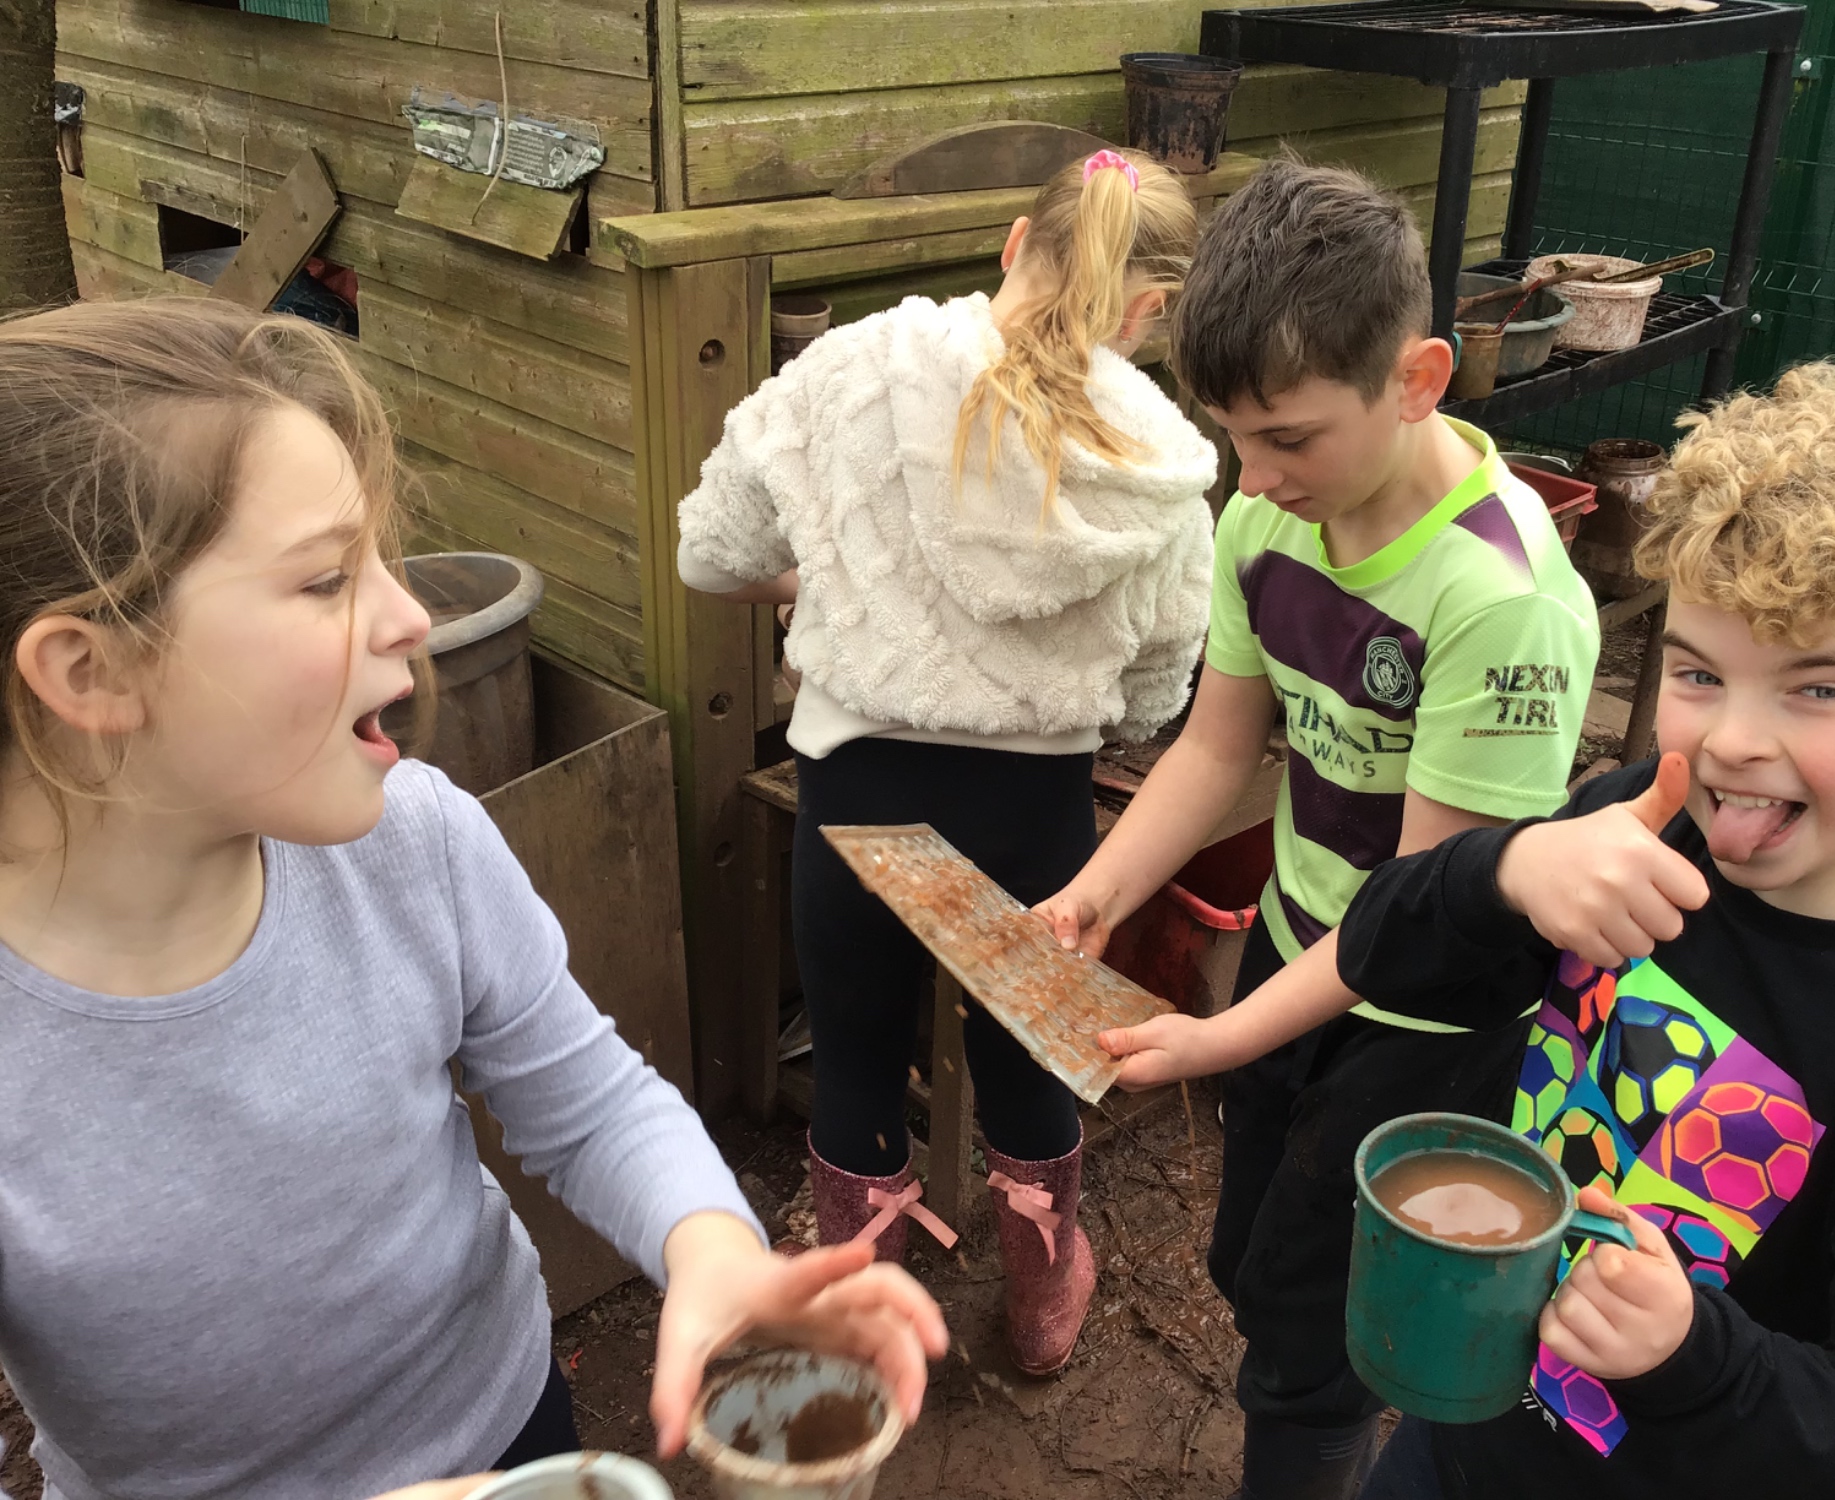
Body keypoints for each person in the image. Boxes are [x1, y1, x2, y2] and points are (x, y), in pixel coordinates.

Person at [0, 298, 946, 1500]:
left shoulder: (417, 841)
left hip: (508, 1425)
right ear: (90, 670)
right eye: (327, 579)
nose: (409, 616)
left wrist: (710, 1249)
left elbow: (590, 1102)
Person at [1112, 357, 1835, 1499]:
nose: (1732, 740)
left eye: (1817, 688)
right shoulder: (1633, 830)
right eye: (1697, 674)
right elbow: (1388, 944)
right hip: (1460, 1435)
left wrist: (1691, 1355)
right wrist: (1508, 866)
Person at [1036, 158, 1599, 1494]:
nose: (1255, 474)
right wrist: (1097, 892)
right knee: (1255, 1260)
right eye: (1234, 435)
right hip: (1298, 950)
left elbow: (1419, 914)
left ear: (1416, 381)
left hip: (1426, 1023)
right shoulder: (1264, 523)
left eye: (1288, 438)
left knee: (1311, 1345)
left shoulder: (1498, 599)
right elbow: (1218, 745)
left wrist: (1217, 1036)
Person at [674, 147, 1216, 1376]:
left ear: (1018, 241)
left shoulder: (853, 369)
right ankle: (1039, 1302)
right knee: (1029, 1057)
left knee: (857, 1053)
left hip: (854, 800)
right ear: (1144, 311)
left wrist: (834, 586)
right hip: (1037, 815)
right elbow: (1152, 694)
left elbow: (711, 553)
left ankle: (865, 1323)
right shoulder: (1162, 465)